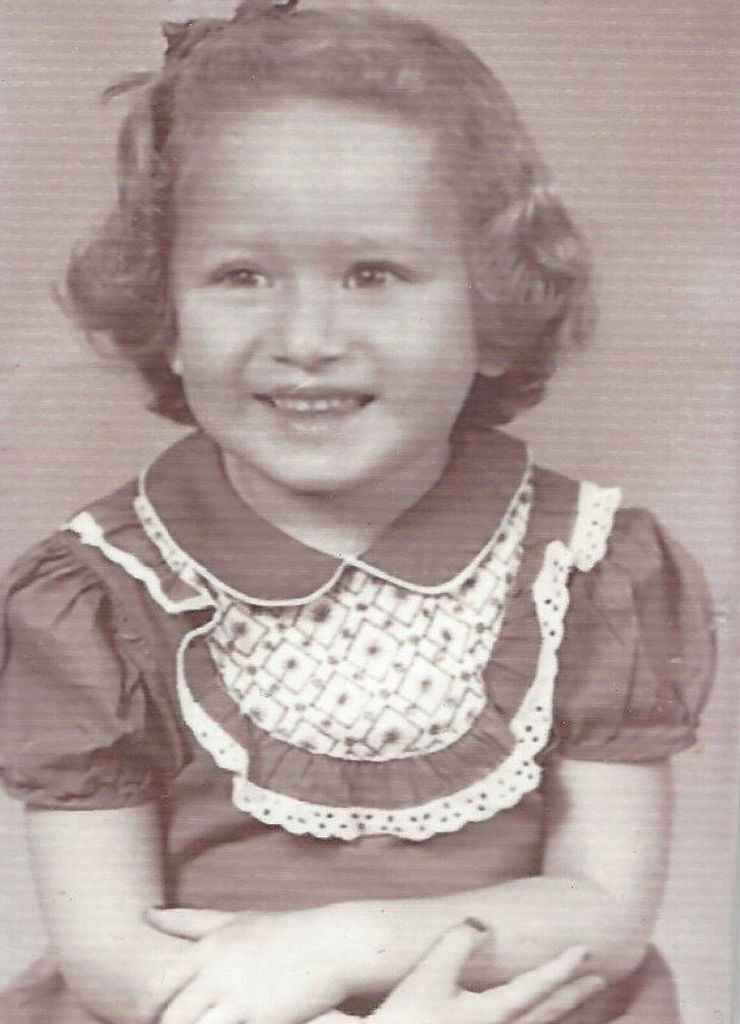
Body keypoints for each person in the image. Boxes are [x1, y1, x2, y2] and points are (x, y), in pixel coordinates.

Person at [0, 2, 715, 1023]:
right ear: (168, 318)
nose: (306, 338)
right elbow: (107, 948)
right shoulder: (97, 595)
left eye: (373, 275)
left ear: (492, 311)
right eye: (241, 275)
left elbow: (602, 912)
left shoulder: (590, 568)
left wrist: (337, 948)